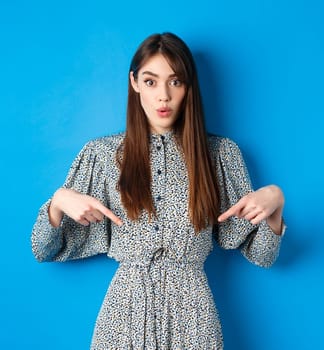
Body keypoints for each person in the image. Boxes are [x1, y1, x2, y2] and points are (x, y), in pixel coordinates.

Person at [30, 32, 286, 349]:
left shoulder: (220, 155)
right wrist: (57, 202)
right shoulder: (102, 156)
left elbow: (263, 256)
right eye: (151, 81)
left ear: (188, 86)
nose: (163, 96)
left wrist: (276, 200)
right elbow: (43, 250)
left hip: (194, 319)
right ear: (134, 82)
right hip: (124, 319)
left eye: (175, 82)